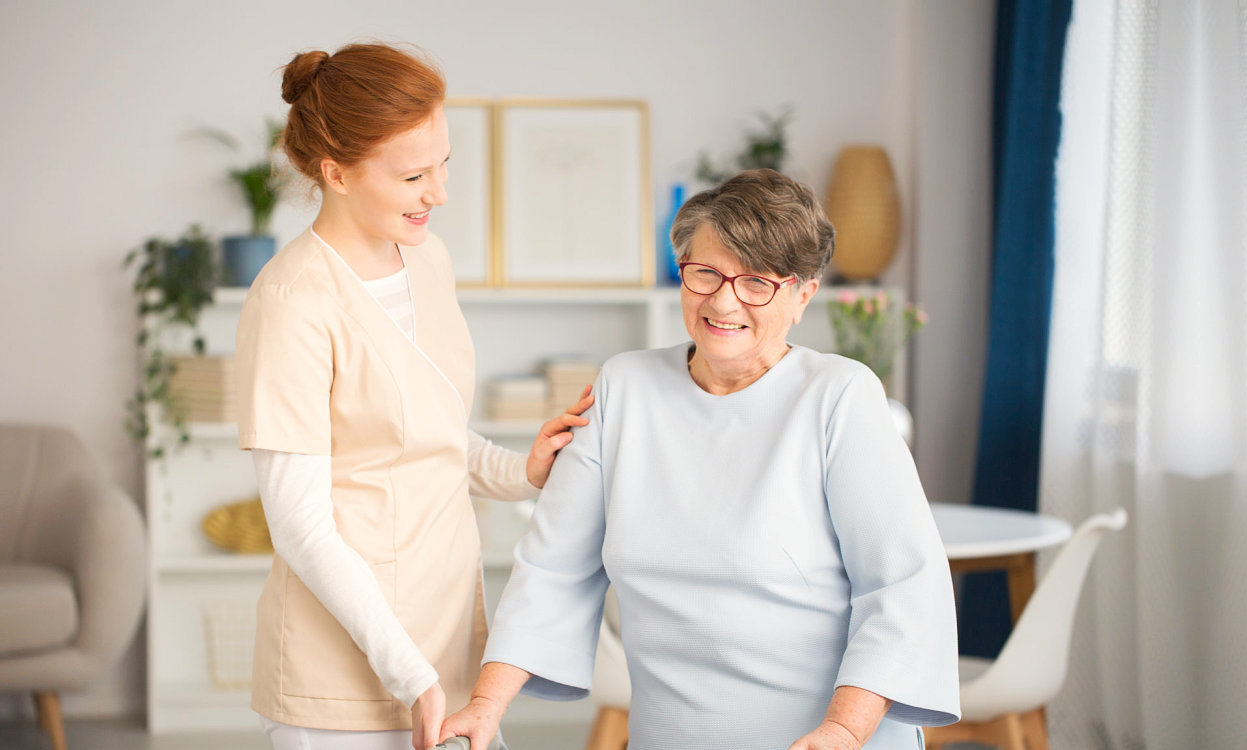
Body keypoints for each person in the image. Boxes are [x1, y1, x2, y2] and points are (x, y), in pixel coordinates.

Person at [441, 169, 961, 749]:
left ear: (802, 294)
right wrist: (485, 705)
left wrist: (842, 731)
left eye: (757, 282)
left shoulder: (840, 395)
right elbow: (554, 568)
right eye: (705, 272)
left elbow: (905, 587)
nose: (723, 300)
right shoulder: (624, 388)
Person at [235, 43, 591, 750]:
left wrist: (522, 471)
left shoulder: (428, 260)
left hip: (446, 639)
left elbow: (433, 432)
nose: (440, 193)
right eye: (413, 175)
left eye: (445, 163)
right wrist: (410, 674)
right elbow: (301, 528)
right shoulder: (290, 300)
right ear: (335, 173)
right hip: (343, 674)